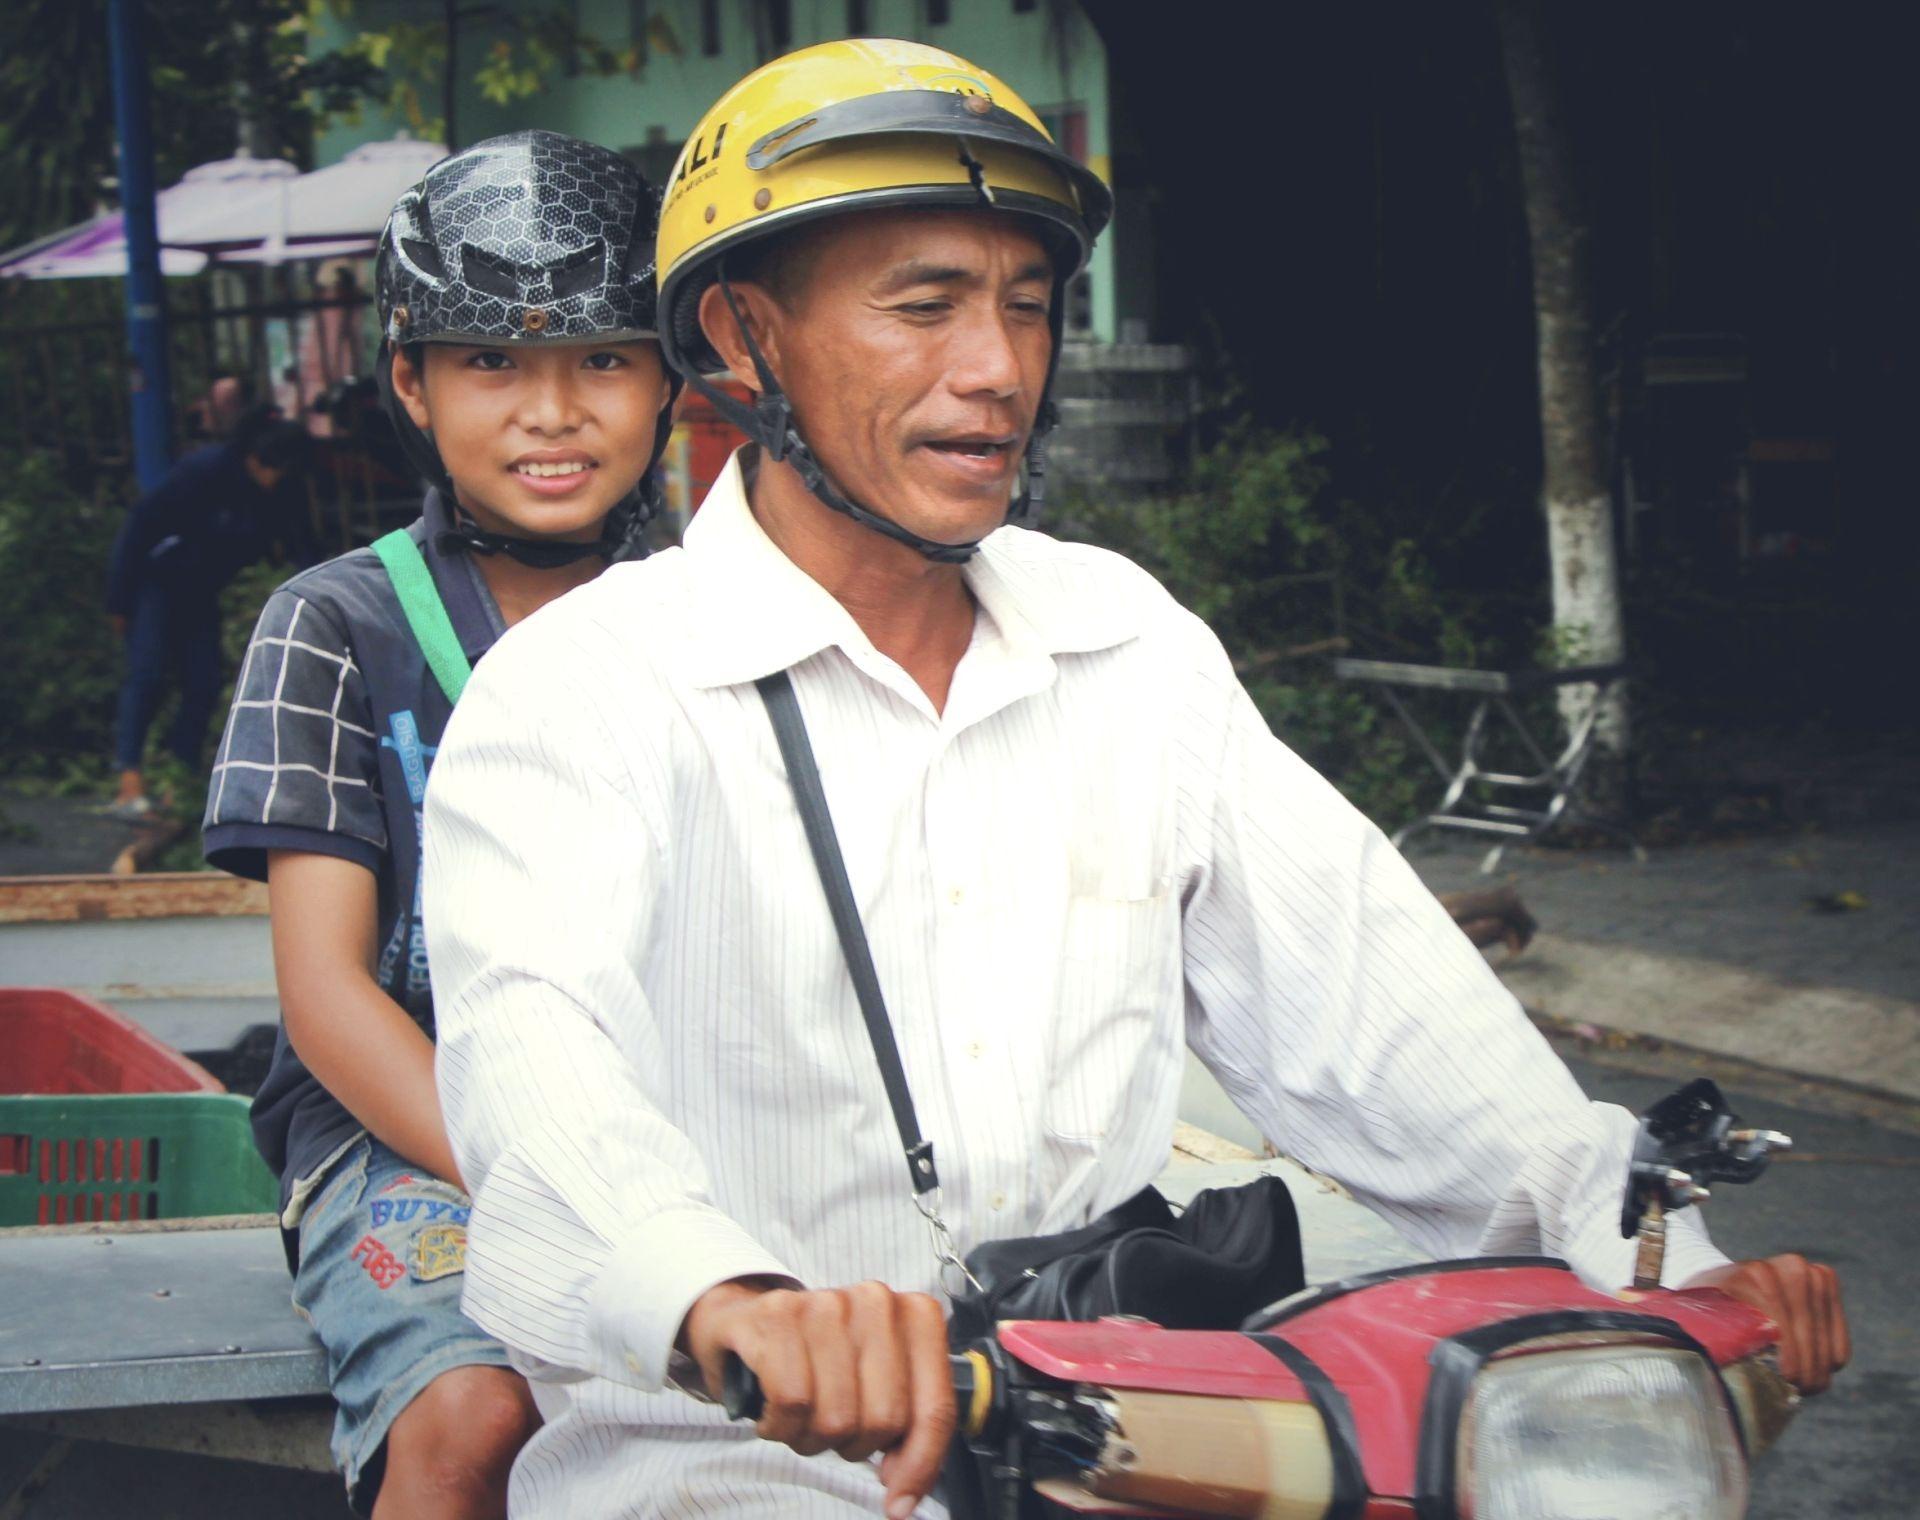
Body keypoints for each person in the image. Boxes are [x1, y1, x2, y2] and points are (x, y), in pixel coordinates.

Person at [421, 41, 1849, 1520]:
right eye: (924, 306)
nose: (997, 369)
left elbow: (1373, 1007)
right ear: (742, 334)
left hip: (1117, 1444)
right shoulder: (583, 691)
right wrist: (733, 1298)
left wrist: (1641, 1234)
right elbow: (539, 1081)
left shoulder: (1126, 645)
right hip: (729, 1471)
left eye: (1026, 308)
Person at [200, 130, 680, 1519]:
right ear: (410, 382)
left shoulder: (720, 623)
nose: (551, 411)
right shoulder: (333, 625)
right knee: (477, 1418)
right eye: (492, 363)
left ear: (668, 377)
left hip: (683, 1122)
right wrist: (563, 1177)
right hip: (415, 1134)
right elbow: (327, 996)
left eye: (602, 357)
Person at [105, 404, 311, 818]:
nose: (271, 478)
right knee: (147, 675)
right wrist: (119, 600)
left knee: (204, 680)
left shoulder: (279, 491)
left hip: (202, 590)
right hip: (158, 583)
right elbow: (139, 528)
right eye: (266, 467)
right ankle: (129, 778)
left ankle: (179, 780)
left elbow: (300, 544)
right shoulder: (204, 472)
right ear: (253, 457)